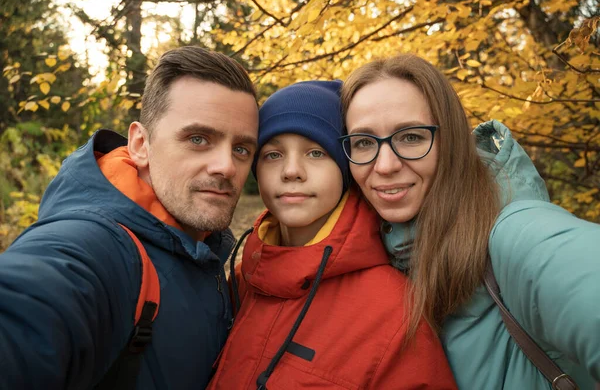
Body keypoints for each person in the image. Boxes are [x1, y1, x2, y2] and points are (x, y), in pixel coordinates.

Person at [0, 46, 259, 389]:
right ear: (140, 144)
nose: (226, 166)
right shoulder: (94, 247)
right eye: (198, 139)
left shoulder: (202, 249)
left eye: (241, 148)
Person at [339, 54, 600, 389]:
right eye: (363, 142)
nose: (385, 164)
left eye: (412, 137)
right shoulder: (373, 256)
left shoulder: (513, 234)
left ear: (449, 141)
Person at [208, 80, 457, 389]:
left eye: (315, 153)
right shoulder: (241, 283)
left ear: (346, 168)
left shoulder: (395, 311)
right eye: (273, 155)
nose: (291, 171)